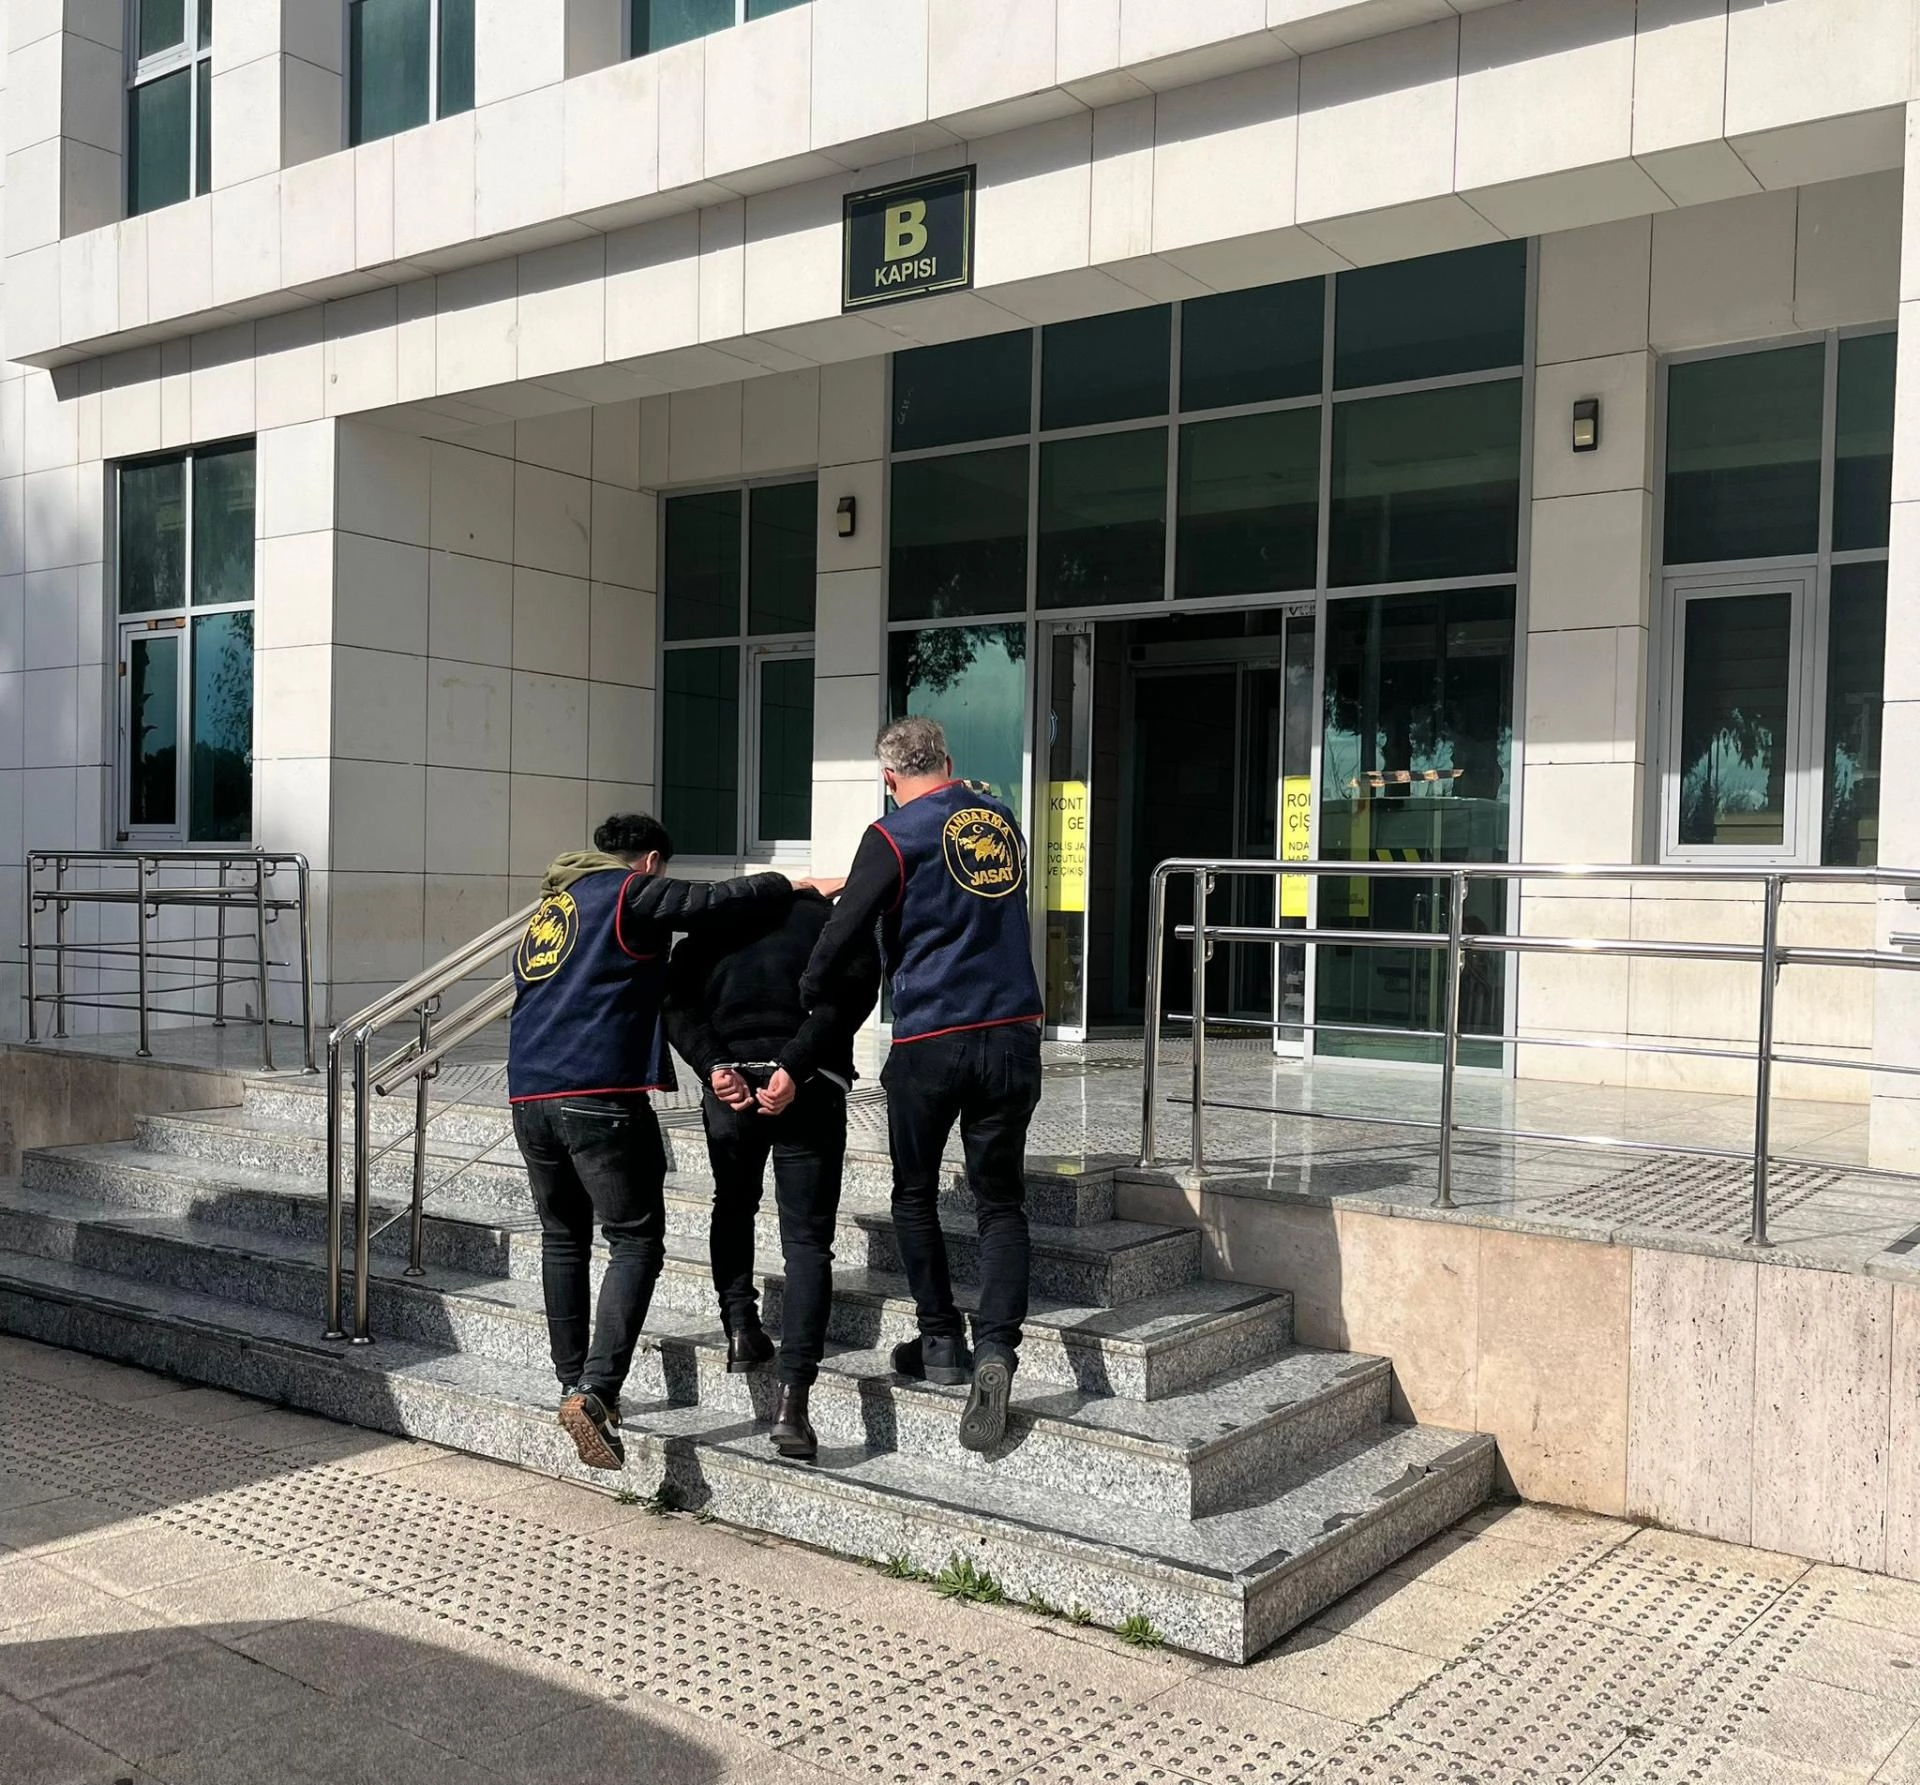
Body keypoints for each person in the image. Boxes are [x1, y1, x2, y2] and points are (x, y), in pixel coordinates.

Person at [508, 812, 812, 1471]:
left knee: (563, 1238)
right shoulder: (629, 891)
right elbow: (710, 902)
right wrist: (787, 883)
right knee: (635, 1241)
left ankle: (571, 1384)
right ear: (649, 862)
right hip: (596, 1094)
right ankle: (597, 1391)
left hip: (528, 1096)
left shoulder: (554, 908)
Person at [801, 717, 1044, 1455]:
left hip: (932, 1036)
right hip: (1012, 1032)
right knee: (1000, 1202)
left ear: (888, 777)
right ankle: (996, 1348)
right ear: (947, 760)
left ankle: (939, 1339)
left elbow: (848, 926)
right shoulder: (999, 819)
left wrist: (810, 989)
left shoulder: (891, 835)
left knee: (914, 1192)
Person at [664, 888, 880, 1460]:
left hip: (730, 1087)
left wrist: (714, 1066)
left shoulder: (713, 922)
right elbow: (852, 993)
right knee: (807, 1243)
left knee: (733, 1204)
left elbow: (676, 1004)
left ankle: (740, 1326)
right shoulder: (827, 920)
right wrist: (794, 1064)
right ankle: (793, 1403)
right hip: (809, 1088)